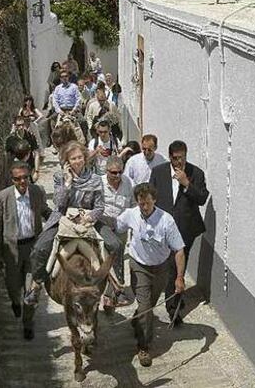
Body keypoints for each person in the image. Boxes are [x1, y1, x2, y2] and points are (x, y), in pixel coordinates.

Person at [24, 141, 124, 306]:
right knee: (41, 247)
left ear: (85, 158)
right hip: (63, 217)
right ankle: (36, 286)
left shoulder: (95, 179)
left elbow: (99, 206)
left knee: (116, 244)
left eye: (79, 157)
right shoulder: (59, 177)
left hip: (89, 218)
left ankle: (116, 289)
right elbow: (58, 203)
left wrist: (89, 218)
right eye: (73, 158)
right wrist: (68, 183)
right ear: (67, 161)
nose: (77, 161)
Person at [116, 182, 185, 367]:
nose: (144, 207)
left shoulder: (166, 220)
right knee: (146, 306)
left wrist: (179, 277)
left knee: (149, 305)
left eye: (147, 203)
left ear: (154, 200)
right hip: (139, 265)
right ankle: (144, 346)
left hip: (161, 268)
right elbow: (116, 226)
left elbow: (179, 250)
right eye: (141, 203)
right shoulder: (131, 214)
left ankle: (139, 318)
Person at [150, 140, 210, 326]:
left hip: (186, 229)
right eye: (175, 159)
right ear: (170, 157)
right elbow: (151, 198)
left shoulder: (196, 173)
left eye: (182, 158)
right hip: (165, 229)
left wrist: (186, 183)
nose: (179, 162)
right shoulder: (158, 172)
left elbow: (202, 198)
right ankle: (173, 307)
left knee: (178, 268)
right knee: (170, 268)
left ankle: (174, 301)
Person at [0, 161, 52, 340]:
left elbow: (45, 211)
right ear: (12, 180)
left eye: (25, 177)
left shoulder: (36, 192)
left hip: (33, 248)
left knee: (31, 291)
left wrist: (60, 219)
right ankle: (15, 302)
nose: (23, 182)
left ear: (30, 175)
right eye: (18, 179)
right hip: (12, 250)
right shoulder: (2, 198)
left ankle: (28, 323)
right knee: (12, 286)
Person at [100, 156, 135, 304]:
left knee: (118, 259)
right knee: (105, 260)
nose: (117, 176)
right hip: (103, 227)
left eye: (120, 172)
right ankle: (107, 292)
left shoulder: (128, 183)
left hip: (121, 228)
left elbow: (133, 205)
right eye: (113, 172)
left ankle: (117, 291)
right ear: (106, 171)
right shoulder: (99, 183)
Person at [6, 116, 41, 182]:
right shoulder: (11, 139)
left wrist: (36, 171)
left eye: (22, 125)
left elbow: (36, 154)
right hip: (16, 169)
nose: (21, 127)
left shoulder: (30, 136)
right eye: (19, 125)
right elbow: (7, 156)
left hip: (29, 167)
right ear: (15, 126)